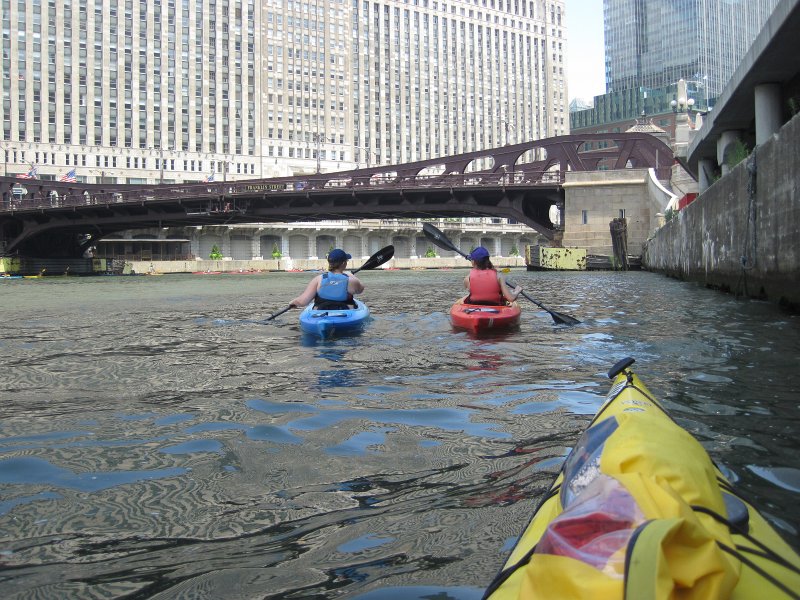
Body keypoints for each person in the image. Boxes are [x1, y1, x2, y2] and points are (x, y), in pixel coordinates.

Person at [289, 248, 364, 310]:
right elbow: (361, 289)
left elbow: (303, 301)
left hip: (321, 314)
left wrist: (293, 302)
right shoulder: (351, 280)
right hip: (345, 314)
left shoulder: (318, 279)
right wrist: (351, 275)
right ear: (343, 263)